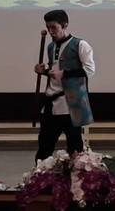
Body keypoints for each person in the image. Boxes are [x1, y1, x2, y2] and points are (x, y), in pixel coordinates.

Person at [34, 9, 94, 163]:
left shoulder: (80, 45)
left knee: (75, 148)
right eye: (48, 27)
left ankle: (77, 177)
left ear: (65, 25)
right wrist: (43, 71)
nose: (50, 31)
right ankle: (40, 175)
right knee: (44, 146)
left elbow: (89, 70)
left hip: (71, 104)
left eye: (54, 27)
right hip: (51, 102)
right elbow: (54, 71)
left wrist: (65, 74)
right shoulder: (50, 47)